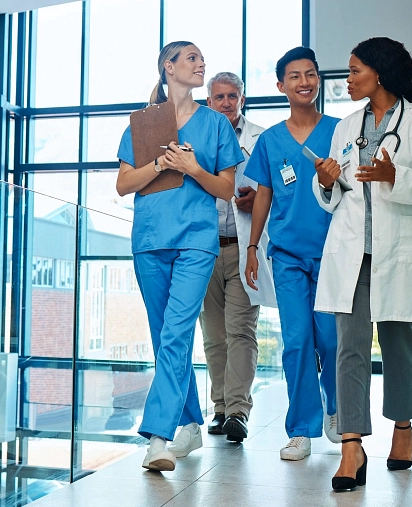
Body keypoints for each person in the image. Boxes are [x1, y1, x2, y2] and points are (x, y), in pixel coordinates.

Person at [312, 37, 412, 490]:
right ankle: (351, 445)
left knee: (399, 350)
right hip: (352, 255)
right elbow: (332, 199)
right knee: (348, 350)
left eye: (355, 70)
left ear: (380, 72)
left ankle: (403, 428)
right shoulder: (344, 127)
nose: (348, 79)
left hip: (400, 254)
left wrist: (398, 176)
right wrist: (326, 182)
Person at [116, 41, 243, 472]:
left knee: (175, 333)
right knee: (164, 337)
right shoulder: (144, 122)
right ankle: (189, 419)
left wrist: (192, 169)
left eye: (201, 58)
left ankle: (158, 436)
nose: (200, 63)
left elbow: (226, 189)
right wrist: (160, 165)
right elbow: (123, 183)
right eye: (191, 58)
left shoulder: (216, 125)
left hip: (196, 241)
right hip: (150, 240)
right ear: (168, 67)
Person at [244, 47, 340, 461]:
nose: (304, 82)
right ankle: (301, 429)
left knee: (333, 341)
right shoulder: (270, 140)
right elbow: (263, 193)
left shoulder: (340, 130)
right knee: (297, 340)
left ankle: (337, 412)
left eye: (311, 74)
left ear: (319, 80)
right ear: (281, 85)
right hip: (285, 255)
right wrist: (252, 246)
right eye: (295, 76)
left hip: (335, 253)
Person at [199, 72, 276, 442]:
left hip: (245, 247)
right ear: (208, 101)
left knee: (240, 330)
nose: (226, 102)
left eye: (233, 96)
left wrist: (259, 198)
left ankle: (238, 412)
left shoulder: (262, 138)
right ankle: (219, 408)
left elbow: (275, 190)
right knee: (213, 335)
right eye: (219, 97)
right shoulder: (195, 137)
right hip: (205, 249)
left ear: (242, 99)